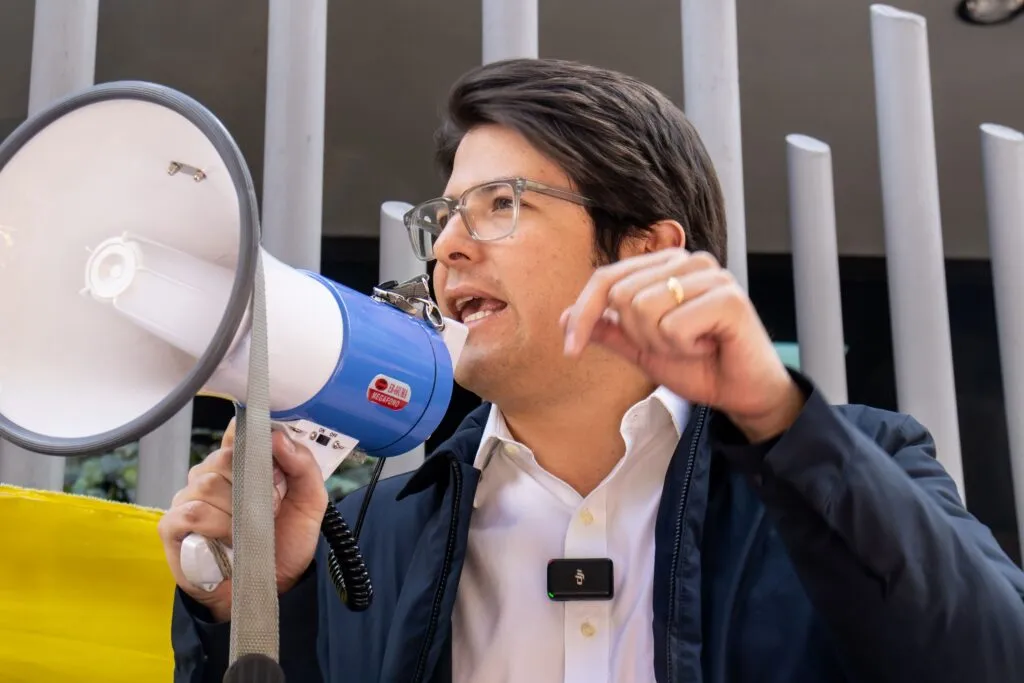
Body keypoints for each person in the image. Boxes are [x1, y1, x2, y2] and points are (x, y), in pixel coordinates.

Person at [162, 58, 1024, 683]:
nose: (450, 248)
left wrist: (784, 422)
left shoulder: (847, 465)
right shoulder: (376, 535)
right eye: (446, 218)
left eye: (501, 204)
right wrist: (248, 613)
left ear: (646, 253)